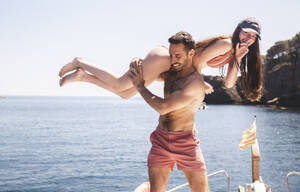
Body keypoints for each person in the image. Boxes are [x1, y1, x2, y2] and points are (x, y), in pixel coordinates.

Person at [59, 17, 263, 102]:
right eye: (246, 33)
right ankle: (80, 62)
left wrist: (236, 60)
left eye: (252, 36)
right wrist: (200, 82)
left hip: (171, 67)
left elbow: (229, 84)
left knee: (126, 94)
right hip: (165, 59)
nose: (248, 38)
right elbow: (198, 61)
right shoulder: (226, 43)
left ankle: (83, 77)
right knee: (120, 84)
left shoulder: (234, 52)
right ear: (239, 31)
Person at [130, 31, 209, 192]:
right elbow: (149, 71)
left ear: (191, 53)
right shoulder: (171, 73)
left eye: (178, 56)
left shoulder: (195, 83)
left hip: (186, 142)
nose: (173, 60)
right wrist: (137, 62)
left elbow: (163, 107)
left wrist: (140, 86)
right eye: (171, 55)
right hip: (161, 139)